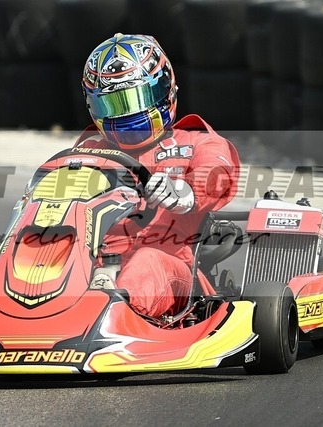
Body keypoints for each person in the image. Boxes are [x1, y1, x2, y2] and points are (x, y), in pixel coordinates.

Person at [75, 33, 240, 319]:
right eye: (113, 105)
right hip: (95, 265)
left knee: (146, 261)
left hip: (171, 266)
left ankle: (112, 313)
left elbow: (217, 173)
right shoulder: (89, 151)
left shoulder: (198, 142)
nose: (126, 114)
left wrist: (184, 192)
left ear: (164, 90)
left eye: (134, 99)